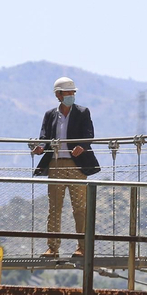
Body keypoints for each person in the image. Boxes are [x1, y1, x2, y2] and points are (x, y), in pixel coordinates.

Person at [30, 76, 100, 258]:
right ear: (59, 95)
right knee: (54, 207)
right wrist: (39, 148)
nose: (71, 95)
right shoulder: (50, 115)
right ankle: (53, 248)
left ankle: (82, 247)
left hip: (76, 166)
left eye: (73, 92)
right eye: (68, 92)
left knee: (79, 208)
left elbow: (89, 135)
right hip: (55, 164)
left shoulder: (83, 112)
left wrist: (81, 147)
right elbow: (44, 138)